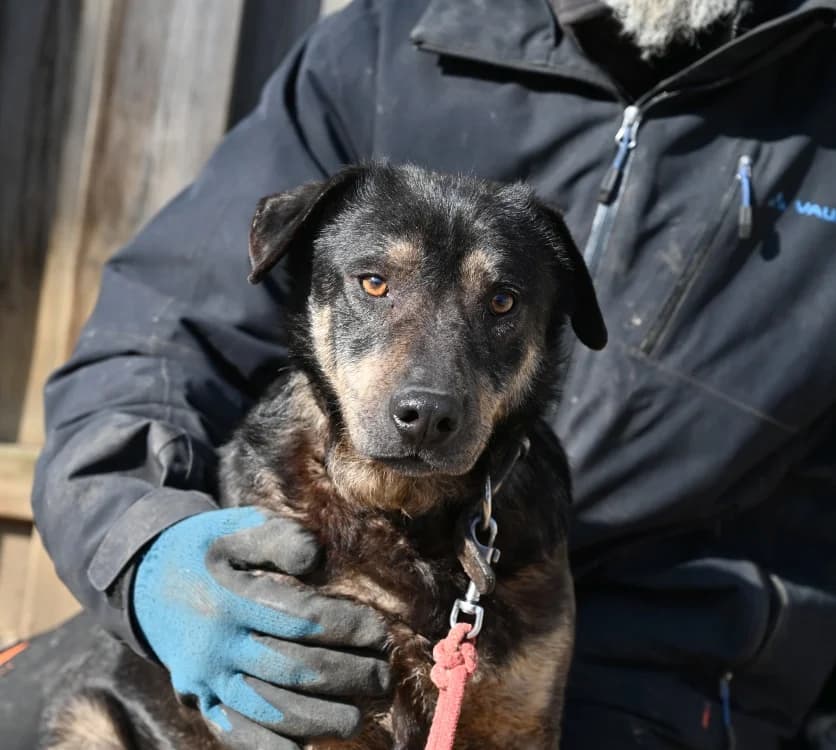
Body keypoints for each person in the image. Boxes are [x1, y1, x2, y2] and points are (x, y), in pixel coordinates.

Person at [29, 0, 836, 748]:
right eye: (377, 285)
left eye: (501, 305)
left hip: (678, 685)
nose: (428, 391)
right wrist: (143, 550)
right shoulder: (392, 41)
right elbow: (152, 341)